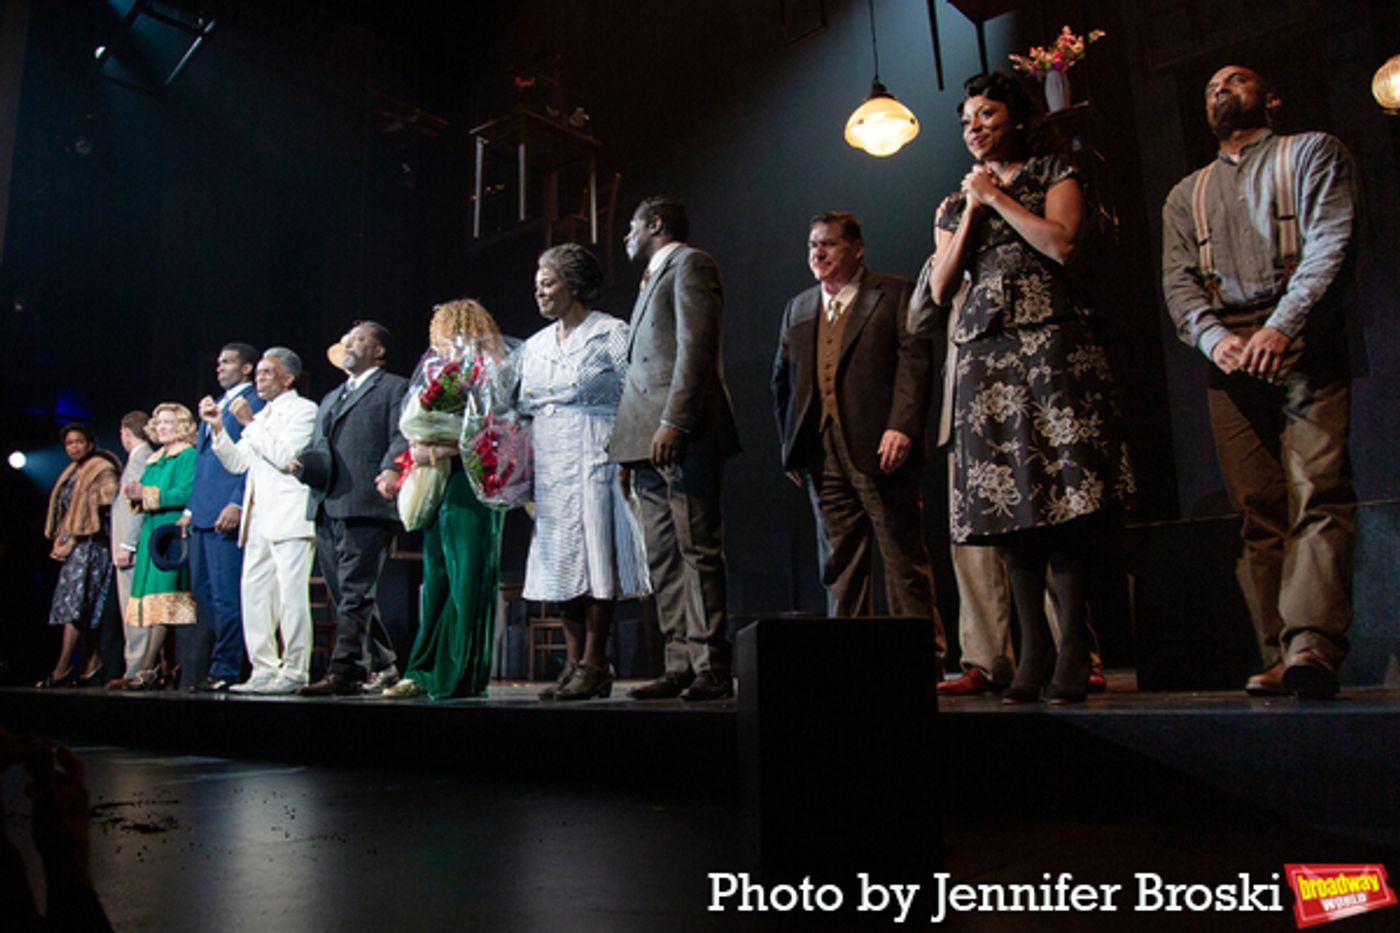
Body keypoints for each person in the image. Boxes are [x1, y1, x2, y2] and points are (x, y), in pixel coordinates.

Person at [921, 72, 1133, 704]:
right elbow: (940, 288)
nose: (975, 128)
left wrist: (999, 198)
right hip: (985, 356)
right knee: (1009, 508)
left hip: (1050, 345)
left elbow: (1061, 244)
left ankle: (1073, 648)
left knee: (1062, 498)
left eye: (986, 115)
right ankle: (1031, 650)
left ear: (1016, 118)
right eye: (967, 120)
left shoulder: (1054, 173)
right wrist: (974, 207)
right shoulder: (953, 204)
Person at [1161, 66, 1357, 699]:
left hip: (1302, 328)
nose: (1219, 88)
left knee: (1317, 488)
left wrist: (1282, 326)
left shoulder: (1311, 152)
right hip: (1228, 344)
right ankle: (1277, 653)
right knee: (1257, 505)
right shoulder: (1186, 193)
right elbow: (1178, 281)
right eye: (1210, 87)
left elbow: (1329, 243)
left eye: (1235, 80)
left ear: (1270, 97)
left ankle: (1312, 646)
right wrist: (1215, 340)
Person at [773, 211, 945, 654]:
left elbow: (915, 364)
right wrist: (792, 446)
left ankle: (920, 660)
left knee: (902, 560)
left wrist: (902, 426)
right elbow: (783, 383)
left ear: (857, 249)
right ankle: (848, 664)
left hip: (882, 446)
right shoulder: (799, 307)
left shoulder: (894, 293)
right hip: (822, 453)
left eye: (828, 244)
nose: (818, 252)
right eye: (813, 245)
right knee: (839, 565)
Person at [610, 197, 740, 701]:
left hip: (685, 433)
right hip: (645, 441)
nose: (627, 235)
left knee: (697, 548)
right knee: (662, 555)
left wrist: (675, 422)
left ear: (656, 225)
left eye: (632, 226)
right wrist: (630, 447)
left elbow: (696, 349)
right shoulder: (651, 279)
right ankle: (680, 661)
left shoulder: (690, 265)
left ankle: (711, 663)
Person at [518, 244, 649, 701]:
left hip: (596, 452)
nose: (539, 292)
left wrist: (629, 457)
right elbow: (521, 406)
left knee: (597, 555)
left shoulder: (610, 332)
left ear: (573, 286)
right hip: (550, 460)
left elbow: (638, 393)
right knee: (561, 562)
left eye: (548, 283)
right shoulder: (534, 345)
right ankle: (574, 662)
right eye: (537, 285)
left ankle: (596, 661)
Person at [383, 301, 508, 699]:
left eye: (446, 330)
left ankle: (458, 670)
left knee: (467, 573)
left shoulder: (490, 370)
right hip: (439, 479)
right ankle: (423, 669)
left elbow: (499, 434)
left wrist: (440, 449)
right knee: (437, 573)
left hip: (473, 482)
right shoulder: (442, 373)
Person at [294, 321, 408, 696]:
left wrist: (392, 469)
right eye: (346, 339)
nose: (349, 344)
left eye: (359, 339)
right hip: (327, 504)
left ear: (378, 351)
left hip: (366, 503)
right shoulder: (333, 396)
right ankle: (385, 663)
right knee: (347, 595)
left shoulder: (393, 388)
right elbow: (321, 446)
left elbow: (401, 434)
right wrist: (305, 464)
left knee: (355, 591)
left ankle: (345, 670)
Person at [202, 347, 318, 694]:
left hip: (289, 516)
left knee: (290, 598)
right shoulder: (262, 415)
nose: (260, 379)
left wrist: (249, 424)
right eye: (258, 374)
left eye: (268, 372)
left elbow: (287, 459)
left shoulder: (304, 410)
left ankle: (295, 670)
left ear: (288, 378)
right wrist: (219, 429)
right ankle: (263, 669)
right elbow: (239, 463)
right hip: (258, 519)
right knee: (255, 596)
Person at [182, 343, 264, 692]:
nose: (220, 367)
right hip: (203, 513)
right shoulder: (216, 402)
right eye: (218, 362)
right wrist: (190, 508)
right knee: (204, 595)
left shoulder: (254, 402)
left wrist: (238, 502)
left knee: (227, 595)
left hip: (226, 512)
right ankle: (211, 664)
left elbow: (253, 457)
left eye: (228, 362)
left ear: (246, 368)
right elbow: (204, 462)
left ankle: (228, 667)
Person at [35, 424, 121, 688]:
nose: (73, 447)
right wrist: (63, 536)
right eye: (69, 443)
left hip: (93, 545)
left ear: (90, 443)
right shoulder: (72, 471)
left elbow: (109, 499)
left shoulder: (101, 468)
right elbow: (68, 508)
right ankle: (93, 663)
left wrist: (91, 509)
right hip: (76, 545)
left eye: (78, 442)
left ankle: (62, 668)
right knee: (81, 606)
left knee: (77, 606)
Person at [123, 403, 199, 689]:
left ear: (182, 426)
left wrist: (148, 494)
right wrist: (134, 494)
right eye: (160, 422)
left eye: (169, 422)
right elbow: (142, 493)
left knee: (166, 599)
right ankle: (162, 667)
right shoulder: (156, 459)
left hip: (171, 532)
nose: (163, 426)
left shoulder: (187, 455)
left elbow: (187, 492)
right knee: (152, 599)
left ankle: (148, 667)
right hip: (150, 532)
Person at [109, 411, 153, 686]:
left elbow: (138, 506)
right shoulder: (139, 458)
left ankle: (135, 669)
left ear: (125, 432)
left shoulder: (141, 458)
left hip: (131, 548)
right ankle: (136, 667)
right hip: (129, 546)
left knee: (133, 608)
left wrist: (127, 544)